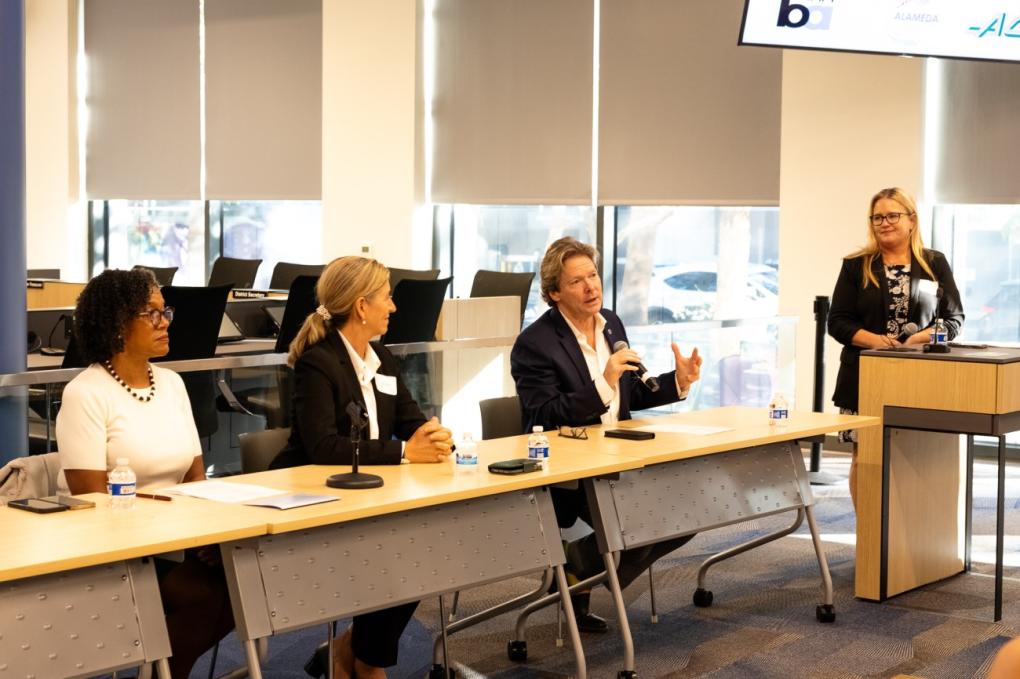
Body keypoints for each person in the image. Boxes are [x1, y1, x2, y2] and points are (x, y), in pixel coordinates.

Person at [269, 256, 454, 679]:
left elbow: (412, 419)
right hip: (312, 498)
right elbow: (323, 447)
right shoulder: (319, 362)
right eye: (387, 298)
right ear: (361, 306)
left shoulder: (380, 357)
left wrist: (438, 436)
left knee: (424, 552)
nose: (394, 307)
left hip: (368, 494)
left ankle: (355, 652)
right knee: (401, 554)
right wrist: (406, 453)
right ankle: (365, 660)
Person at [510, 236, 703, 632]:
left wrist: (677, 382)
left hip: (620, 456)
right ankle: (589, 567)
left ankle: (579, 565)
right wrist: (605, 380)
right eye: (577, 281)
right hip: (570, 470)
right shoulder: (534, 344)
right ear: (554, 293)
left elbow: (628, 396)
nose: (591, 287)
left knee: (687, 513)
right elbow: (544, 415)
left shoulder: (610, 322)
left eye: (593, 275)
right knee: (639, 524)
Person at [55, 268, 232, 679]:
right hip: (122, 548)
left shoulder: (171, 384)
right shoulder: (87, 392)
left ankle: (164, 671)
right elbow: (92, 503)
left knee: (250, 579)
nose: (165, 322)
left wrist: (206, 538)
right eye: (151, 314)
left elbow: (195, 480)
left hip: (177, 539)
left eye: (164, 311)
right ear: (117, 324)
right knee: (206, 595)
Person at [828, 187, 964, 509]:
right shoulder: (856, 265)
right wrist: (873, 340)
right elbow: (838, 322)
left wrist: (924, 337)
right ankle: (869, 541)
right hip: (864, 377)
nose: (884, 222)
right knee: (867, 460)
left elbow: (954, 318)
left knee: (914, 460)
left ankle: (909, 544)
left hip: (920, 377)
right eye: (877, 217)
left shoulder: (934, 263)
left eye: (892, 215)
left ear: (911, 220)